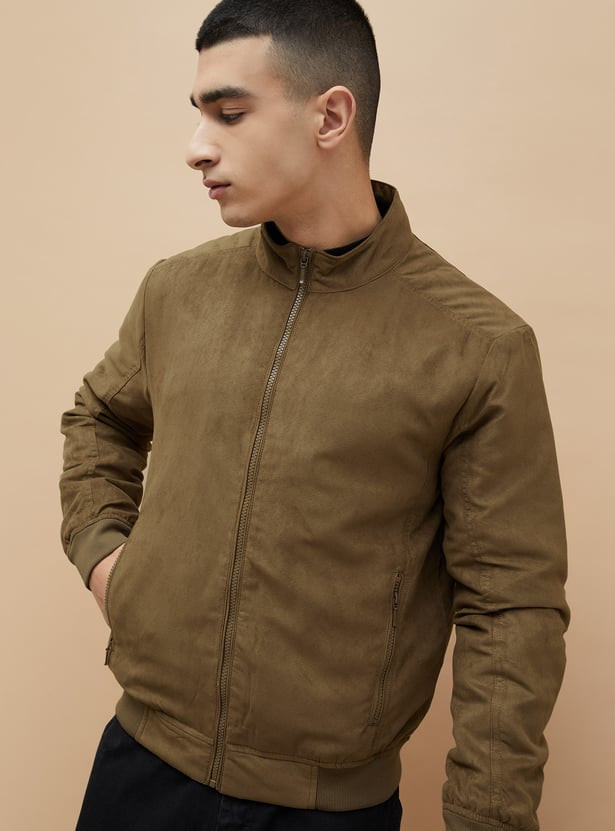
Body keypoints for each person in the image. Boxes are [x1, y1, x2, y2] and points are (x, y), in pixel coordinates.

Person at [59, 1, 569, 829]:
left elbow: (509, 609)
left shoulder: (477, 346)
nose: (196, 147)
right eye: (199, 115)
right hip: (138, 771)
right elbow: (99, 419)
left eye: (229, 113)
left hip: (326, 812)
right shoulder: (177, 290)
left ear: (330, 116)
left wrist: (488, 819)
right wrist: (108, 561)